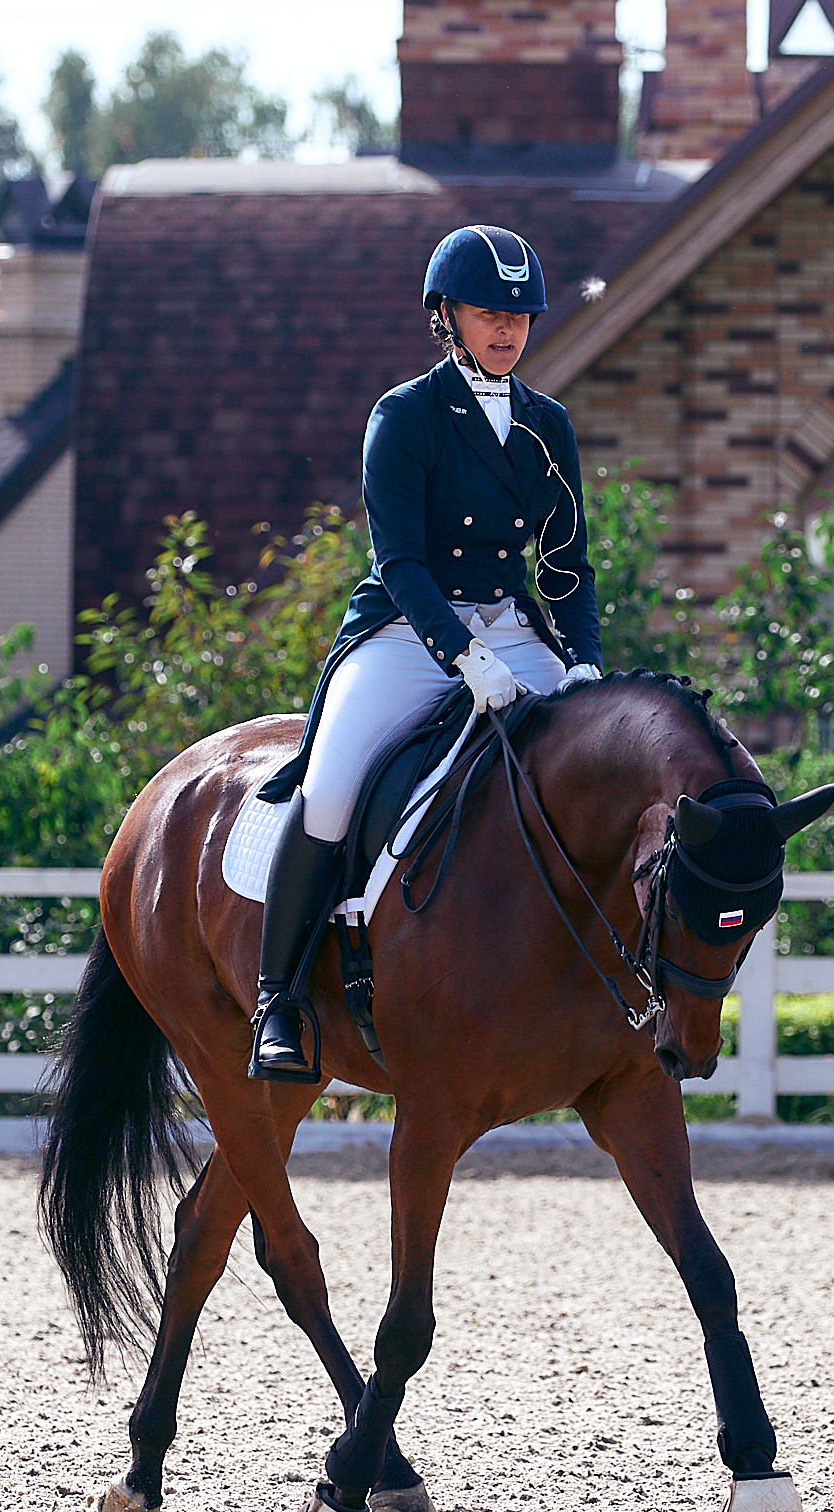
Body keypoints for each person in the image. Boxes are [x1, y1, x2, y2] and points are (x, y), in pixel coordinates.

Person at [245, 224, 604, 1081]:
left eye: (520, 313)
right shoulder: (404, 416)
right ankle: (278, 1001)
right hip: (409, 631)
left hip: (514, 629)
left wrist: (585, 661)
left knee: (598, 770)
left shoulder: (548, 426)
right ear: (445, 316)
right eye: (488, 311)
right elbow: (399, 561)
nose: (508, 328)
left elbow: (566, 563)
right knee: (330, 789)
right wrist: (461, 654)